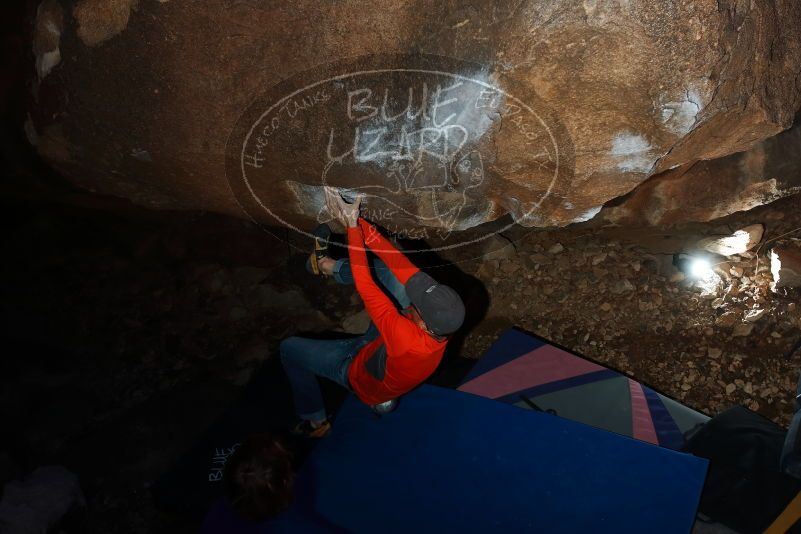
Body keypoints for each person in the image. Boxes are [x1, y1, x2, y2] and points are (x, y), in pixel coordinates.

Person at [280, 187, 466, 437]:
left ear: (423, 325)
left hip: (353, 368)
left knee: (289, 349)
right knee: (395, 275)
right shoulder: (444, 319)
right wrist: (357, 219)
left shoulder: (408, 340)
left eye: (419, 302)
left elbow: (366, 286)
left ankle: (315, 420)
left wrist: (351, 229)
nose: (418, 291)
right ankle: (326, 266)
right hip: (380, 344)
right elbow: (397, 260)